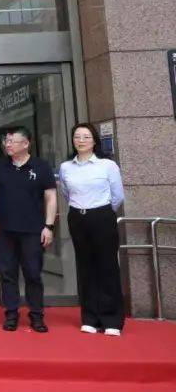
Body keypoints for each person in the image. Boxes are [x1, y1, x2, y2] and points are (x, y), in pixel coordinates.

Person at [0, 127, 57, 333]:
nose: (7, 145)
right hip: (4, 230)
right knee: (7, 274)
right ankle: (11, 314)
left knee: (33, 273)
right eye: (6, 141)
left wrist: (49, 226)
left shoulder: (41, 166)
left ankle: (36, 315)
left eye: (12, 141)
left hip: (33, 230)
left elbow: (51, 197)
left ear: (26, 144)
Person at [58, 122, 125, 336]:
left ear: (94, 140)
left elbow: (117, 196)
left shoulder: (107, 165)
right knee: (85, 266)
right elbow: (66, 193)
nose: (81, 141)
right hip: (77, 217)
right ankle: (90, 318)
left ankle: (112, 319)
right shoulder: (66, 167)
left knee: (107, 266)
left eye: (86, 137)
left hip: (102, 215)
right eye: (77, 137)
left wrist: (101, 212)